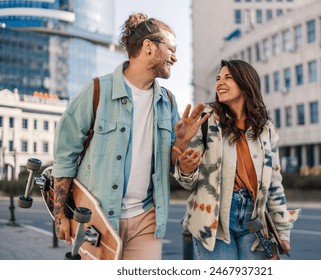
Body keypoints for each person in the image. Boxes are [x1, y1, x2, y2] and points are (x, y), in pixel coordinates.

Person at [51, 13, 206, 260]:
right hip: (96, 219)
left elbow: (168, 164)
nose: (175, 58)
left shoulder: (168, 102)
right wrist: (60, 215)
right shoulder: (96, 92)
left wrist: (181, 144)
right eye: (171, 49)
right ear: (148, 47)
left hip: (146, 219)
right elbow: (64, 157)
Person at [173, 59, 301, 260]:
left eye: (228, 77)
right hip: (212, 221)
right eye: (218, 78)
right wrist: (185, 166)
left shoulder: (266, 130)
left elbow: (275, 186)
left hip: (254, 222)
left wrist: (282, 232)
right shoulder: (206, 120)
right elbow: (188, 182)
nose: (220, 83)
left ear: (245, 83)